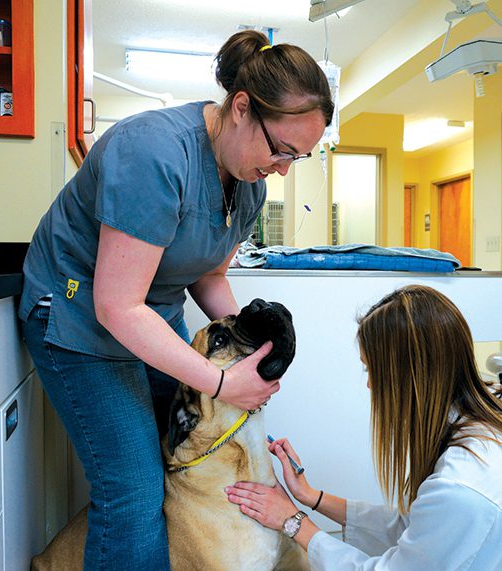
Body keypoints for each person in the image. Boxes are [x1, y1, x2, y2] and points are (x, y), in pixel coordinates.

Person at [19, 30, 334, 569]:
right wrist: (216, 381)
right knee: (135, 491)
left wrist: (242, 350)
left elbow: (208, 274)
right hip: (78, 319)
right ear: (241, 108)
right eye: (282, 149)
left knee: (187, 460)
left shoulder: (249, 178)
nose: (283, 168)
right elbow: (117, 306)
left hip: (149, 318)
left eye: (298, 158)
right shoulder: (152, 153)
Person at [225, 285, 502, 570]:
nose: (370, 385)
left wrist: (293, 523)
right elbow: (422, 531)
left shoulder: (464, 486)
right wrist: (311, 497)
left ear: (406, 378)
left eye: (373, 372)